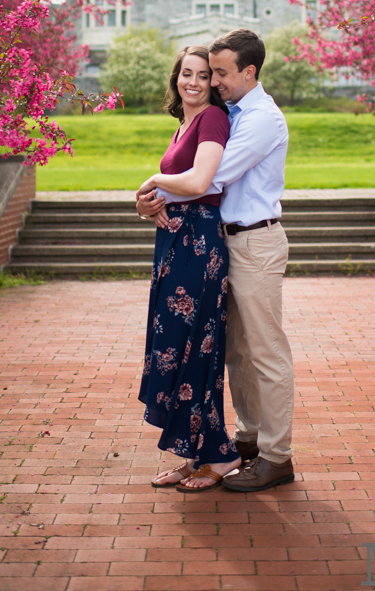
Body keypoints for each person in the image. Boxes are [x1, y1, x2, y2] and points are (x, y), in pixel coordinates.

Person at [138, 28, 295, 493]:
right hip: (227, 243)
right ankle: (247, 441)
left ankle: (277, 456)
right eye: (208, 73)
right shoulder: (234, 112)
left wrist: (150, 188)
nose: (214, 82)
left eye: (221, 73)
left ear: (249, 71)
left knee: (267, 353)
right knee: (235, 352)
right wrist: (153, 200)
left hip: (255, 243)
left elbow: (211, 178)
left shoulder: (261, 118)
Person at [136, 45, 241, 492]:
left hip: (199, 247)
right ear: (175, 77)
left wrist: (155, 181)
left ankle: (219, 456)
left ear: (212, 82)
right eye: (186, 74)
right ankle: (190, 455)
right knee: (177, 351)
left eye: (202, 75)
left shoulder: (213, 119)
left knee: (195, 351)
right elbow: (178, 187)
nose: (193, 82)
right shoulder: (184, 123)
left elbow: (200, 182)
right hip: (176, 244)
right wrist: (147, 204)